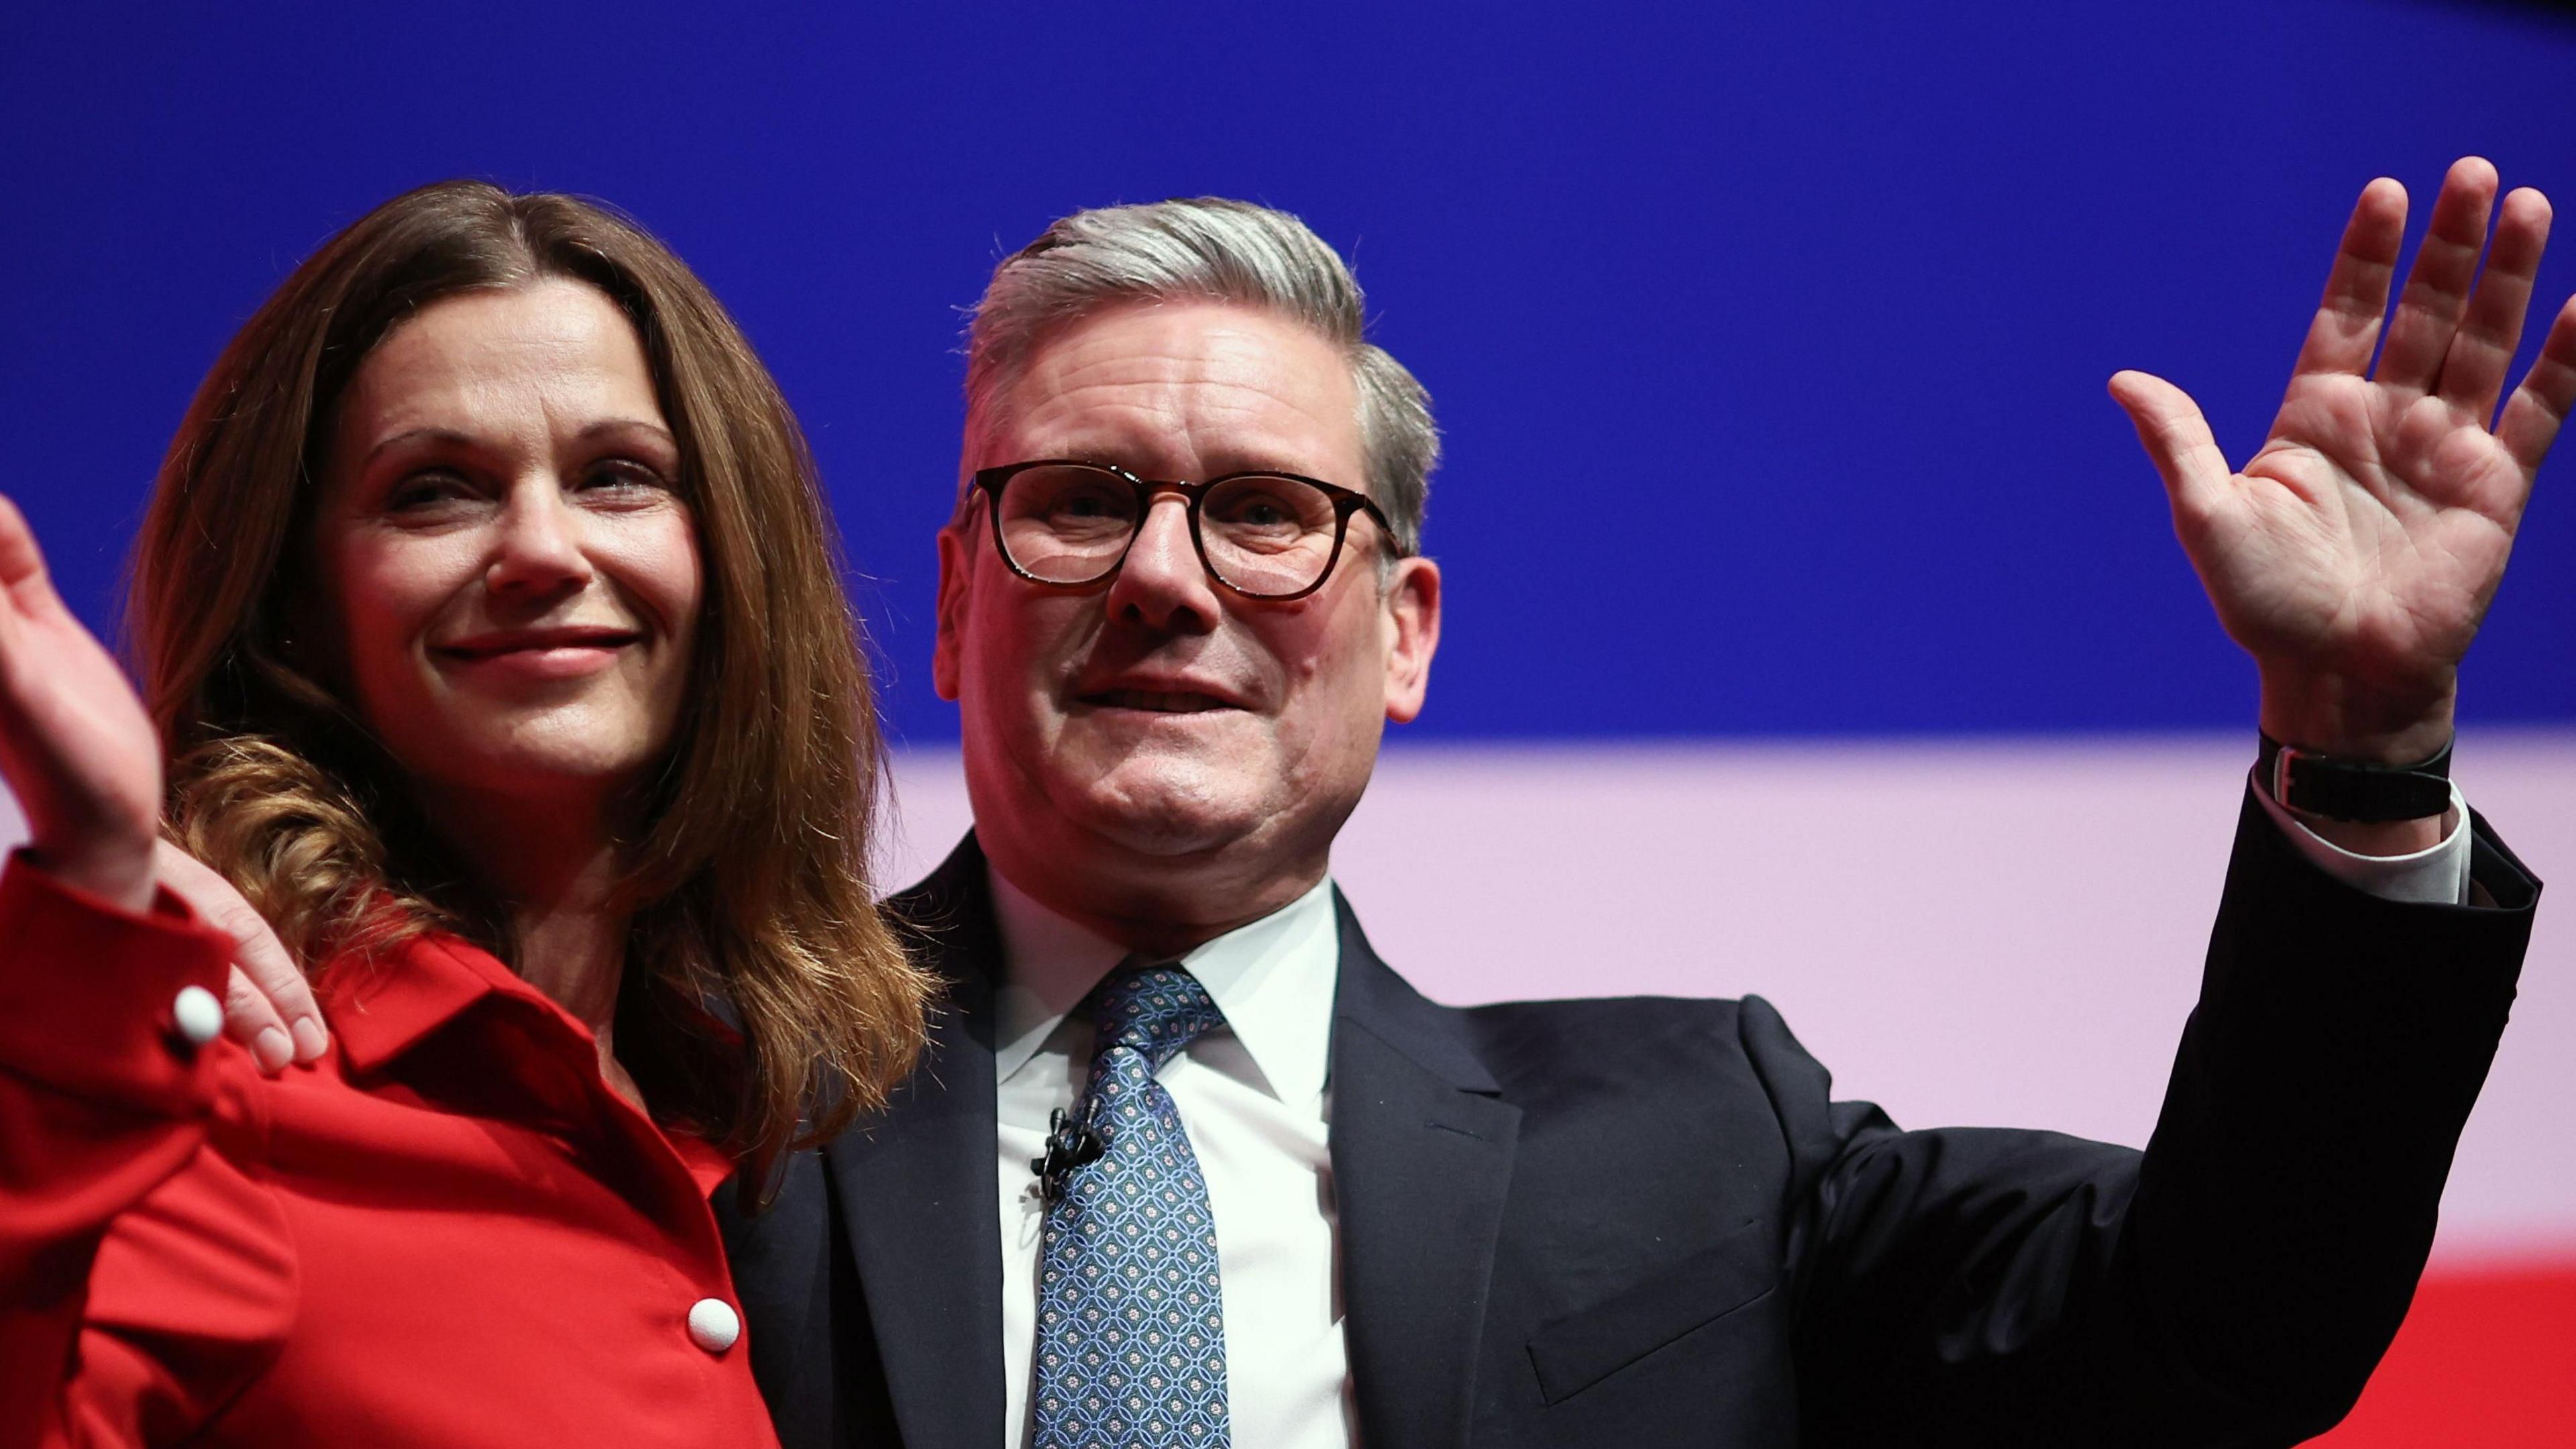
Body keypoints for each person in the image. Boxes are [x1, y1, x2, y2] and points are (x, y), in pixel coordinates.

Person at [717, 159, 2567, 1449]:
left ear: (1404, 633)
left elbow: (2226, 1333)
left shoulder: (1704, 1144)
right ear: (957, 601)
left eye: (1269, 514)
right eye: (1083, 501)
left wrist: (2364, 737)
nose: (1167, 579)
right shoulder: (689, 1081)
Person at [0, 180, 932, 1446]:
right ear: (298, 601)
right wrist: (97, 882)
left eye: (618, 477)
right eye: (435, 490)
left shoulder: (783, 1107)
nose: (542, 550)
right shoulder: (222, 1081)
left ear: (731, 560)